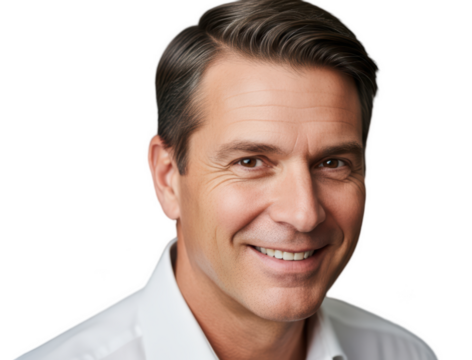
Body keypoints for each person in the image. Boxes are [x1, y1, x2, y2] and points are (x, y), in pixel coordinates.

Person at [12, 1, 440, 359]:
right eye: (251, 161)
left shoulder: (408, 354)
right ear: (166, 178)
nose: (304, 213)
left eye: (333, 163)